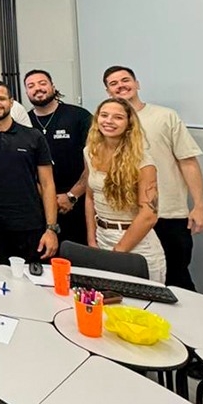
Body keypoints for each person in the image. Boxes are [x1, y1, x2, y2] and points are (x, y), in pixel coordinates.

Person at [103, 65, 203, 289]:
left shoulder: (165, 116)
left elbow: (187, 161)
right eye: (113, 83)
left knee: (176, 279)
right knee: (136, 283)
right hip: (129, 219)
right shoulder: (107, 124)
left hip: (168, 214)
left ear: (137, 83)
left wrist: (199, 205)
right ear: (108, 92)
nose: (121, 85)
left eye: (125, 80)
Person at [0, 80, 59, 264]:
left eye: (1, 98)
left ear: (11, 101)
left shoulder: (33, 137)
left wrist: (51, 228)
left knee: (36, 283)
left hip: (32, 225)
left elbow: (48, 184)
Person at [84, 98, 165, 283]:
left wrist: (118, 252)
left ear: (129, 124)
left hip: (136, 244)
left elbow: (149, 215)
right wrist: (91, 241)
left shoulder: (143, 162)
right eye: (104, 115)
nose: (109, 121)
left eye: (118, 117)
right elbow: (90, 197)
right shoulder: (89, 152)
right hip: (101, 237)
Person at [25, 69, 92, 246]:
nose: (37, 88)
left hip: (79, 202)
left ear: (53, 86)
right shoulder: (24, 122)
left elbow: (95, 162)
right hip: (40, 205)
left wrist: (71, 196)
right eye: (31, 86)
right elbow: (25, 168)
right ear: (26, 92)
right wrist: (48, 199)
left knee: (81, 258)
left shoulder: (80, 116)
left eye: (42, 83)